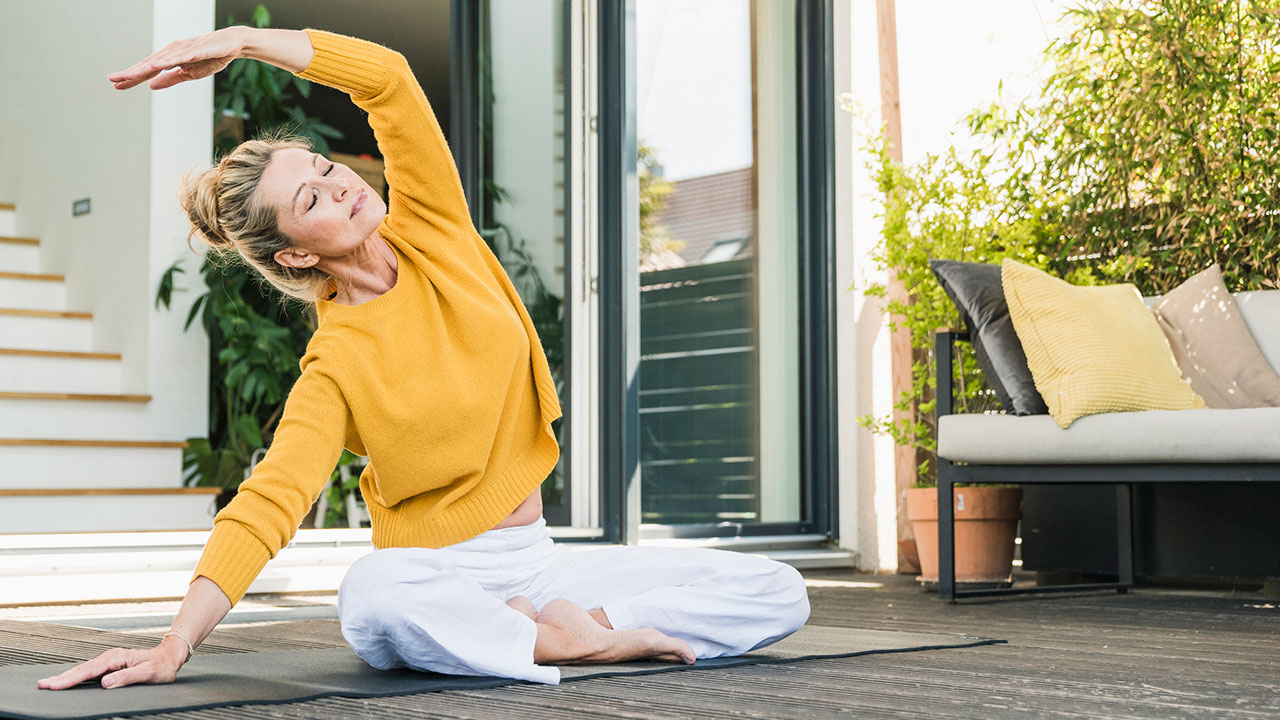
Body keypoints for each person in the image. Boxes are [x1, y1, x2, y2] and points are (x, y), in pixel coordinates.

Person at [37, 25, 809, 691]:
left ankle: (578, 628)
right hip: (443, 575)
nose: (338, 186)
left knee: (778, 590)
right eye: (310, 201)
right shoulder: (336, 362)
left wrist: (241, 44)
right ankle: (557, 639)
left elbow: (391, 83)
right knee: (372, 599)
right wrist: (176, 643)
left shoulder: (436, 229)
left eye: (325, 169)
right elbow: (270, 501)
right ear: (296, 257)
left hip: (542, 565)